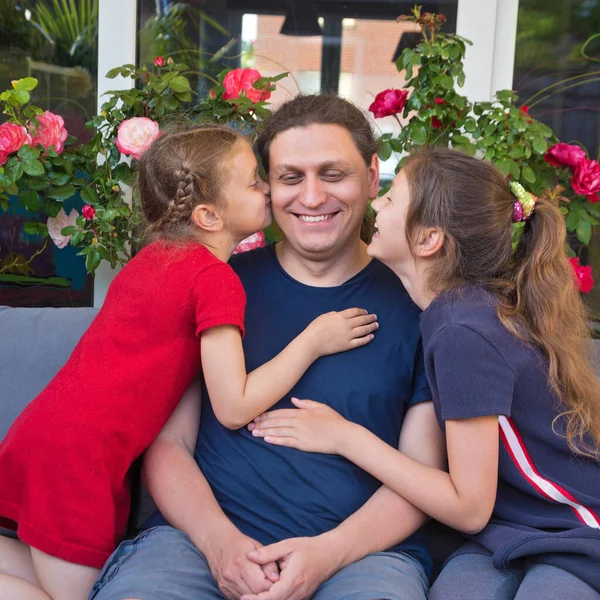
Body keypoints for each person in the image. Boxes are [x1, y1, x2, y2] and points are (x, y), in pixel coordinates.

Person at [0, 124, 379, 600]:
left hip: (47, 438)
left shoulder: (154, 258)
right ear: (208, 215)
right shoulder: (214, 280)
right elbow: (234, 406)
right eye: (252, 182)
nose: (267, 188)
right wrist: (313, 340)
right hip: (82, 461)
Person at [89, 95, 445, 600]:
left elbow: (421, 477)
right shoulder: (213, 287)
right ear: (265, 188)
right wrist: (220, 545)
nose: (313, 197)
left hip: (361, 556)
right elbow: (170, 446)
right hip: (199, 544)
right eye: (290, 177)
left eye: (333, 174)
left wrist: (329, 553)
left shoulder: (420, 310)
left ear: (371, 176)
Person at [250, 146, 600, 599]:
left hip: (576, 529)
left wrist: (343, 437)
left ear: (428, 240)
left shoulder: (462, 332)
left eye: (392, 198)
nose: (376, 204)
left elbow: (468, 506)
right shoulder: (451, 313)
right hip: (511, 527)